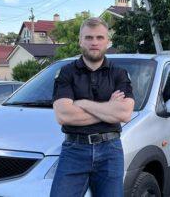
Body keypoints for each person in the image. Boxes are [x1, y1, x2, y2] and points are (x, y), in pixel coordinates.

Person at [50, 17, 135, 197]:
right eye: (88, 38)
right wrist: (109, 109)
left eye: (99, 37)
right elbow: (64, 116)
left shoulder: (119, 73)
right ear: (80, 40)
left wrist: (82, 103)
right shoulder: (67, 72)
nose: (94, 42)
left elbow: (125, 113)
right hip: (74, 149)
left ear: (108, 42)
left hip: (110, 150)